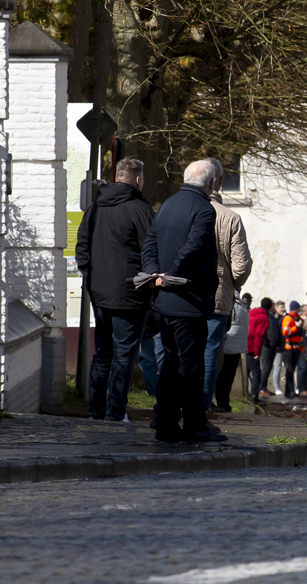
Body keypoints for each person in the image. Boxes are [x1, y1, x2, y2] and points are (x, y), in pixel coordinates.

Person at [141, 159, 223, 443]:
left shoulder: (168, 205)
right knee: (191, 367)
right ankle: (194, 425)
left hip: (165, 300)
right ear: (213, 184)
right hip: (188, 299)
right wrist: (172, 274)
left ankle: (165, 423)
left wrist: (155, 274)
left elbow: (150, 242)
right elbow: (195, 247)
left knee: (172, 366)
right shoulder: (203, 209)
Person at [74, 157, 154, 422]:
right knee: (124, 354)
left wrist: (91, 279)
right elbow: (151, 250)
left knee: (103, 353)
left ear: (117, 175)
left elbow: (82, 248)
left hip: (99, 293)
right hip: (130, 294)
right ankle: (115, 412)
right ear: (138, 180)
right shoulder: (139, 209)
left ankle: (96, 410)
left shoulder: (94, 208)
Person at [203, 158, 252, 414]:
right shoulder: (230, 218)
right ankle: (209, 406)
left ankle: (181, 403)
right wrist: (233, 284)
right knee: (215, 353)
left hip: (182, 295)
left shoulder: (173, 210)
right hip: (221, 296)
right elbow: (242, 267)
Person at [215, 293, 249, 411]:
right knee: (224, 378)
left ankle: (223, 403)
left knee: (227, 378)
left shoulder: (237, 303)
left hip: (233, 346)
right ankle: (221, 403)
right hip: (228, 346)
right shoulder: (229, 301)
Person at [247, 297, 272, 400]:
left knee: (247, 370)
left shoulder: (251, 313)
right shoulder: (263, 317)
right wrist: (257, 352)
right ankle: (254, 395)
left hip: (245, 344)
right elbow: (259, 335)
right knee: (256, 372)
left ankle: (245, 393)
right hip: (253, 347)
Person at [280, 300, 304, 398]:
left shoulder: (297, 318)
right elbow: (285, 332)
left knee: (293, 369)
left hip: (297, 347)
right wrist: (296, 327)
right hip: (289, 348)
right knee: (289, 370)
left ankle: (291, 390)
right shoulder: (288, 318)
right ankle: (289, 391)